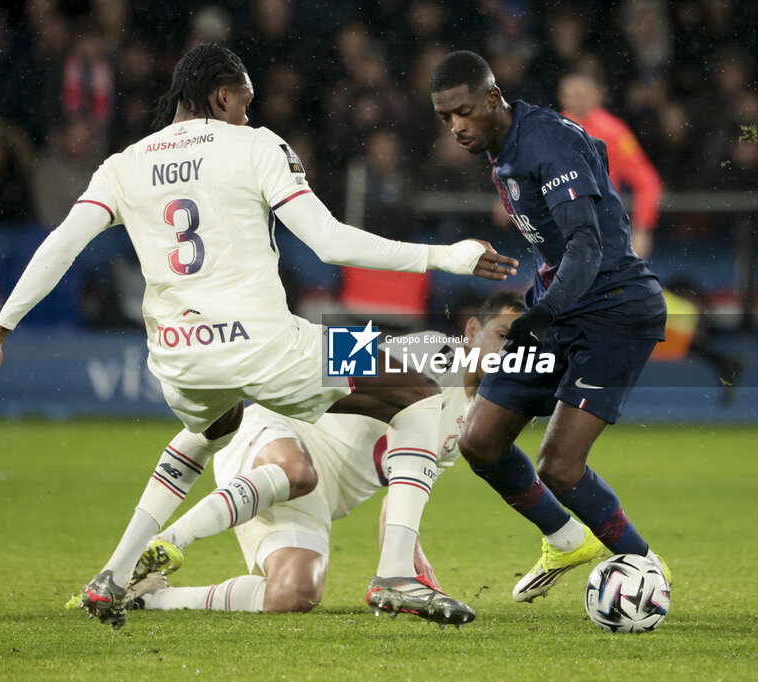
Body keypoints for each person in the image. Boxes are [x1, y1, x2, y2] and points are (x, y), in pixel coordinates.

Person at [0, 43, 518, 629]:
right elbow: (329, 242)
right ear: (222, 95)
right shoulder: (256, 146)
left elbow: (60, 246)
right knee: (419, 393)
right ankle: (396, 575)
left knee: (212, 428)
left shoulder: (124, 164)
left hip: (178, 359)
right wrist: (443, 256)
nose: (248, 116)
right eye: (244, 104)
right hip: (273, 345)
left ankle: (114, 575)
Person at [106, 291, 526, 625]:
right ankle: (167, 542)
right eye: (503, 335)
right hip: (275, 435)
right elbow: (336, 355)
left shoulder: (472, 426)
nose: (507, 351)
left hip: (315, 499)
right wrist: (274, 366)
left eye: (519, 346)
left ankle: (150, 598)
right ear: (472, 329)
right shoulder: (433, 351)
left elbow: (401, 494)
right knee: (297, 470)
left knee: (294, 594)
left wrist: (407, 562)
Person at [429, 50, 670, 603]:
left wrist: (543, 313)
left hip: (613, 310)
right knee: (480, 441)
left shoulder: (547, 142)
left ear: (493, 97)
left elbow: (586, 244)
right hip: (558, 302)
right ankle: (565, 541)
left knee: (560, 466)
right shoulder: (506, 146)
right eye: (445, 118)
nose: (456, 126)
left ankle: (644, 568)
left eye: (463, 112)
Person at [557, 70, 662, 259]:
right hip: (559, 229)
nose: (578, 100)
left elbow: (647, 181)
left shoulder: (614, 132)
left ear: (596, 95)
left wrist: (642, 228)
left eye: (583, 94)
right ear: (562, 97)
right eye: (573, 95)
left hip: (603, 229)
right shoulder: (550, 130)